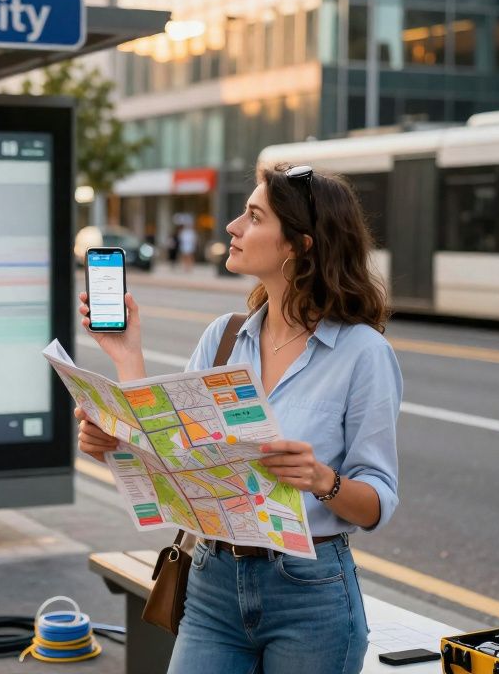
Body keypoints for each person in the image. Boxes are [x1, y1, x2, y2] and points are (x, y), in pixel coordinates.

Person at [77, 163, 400, 673]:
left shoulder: (363, 354)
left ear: (299, 244)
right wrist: (119, 402)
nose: (232, 226)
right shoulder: (225, 337)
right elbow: (171, 450)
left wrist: (323, 480)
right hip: (212, 582)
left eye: (253, 216)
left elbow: (378, 502)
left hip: (310, 594)